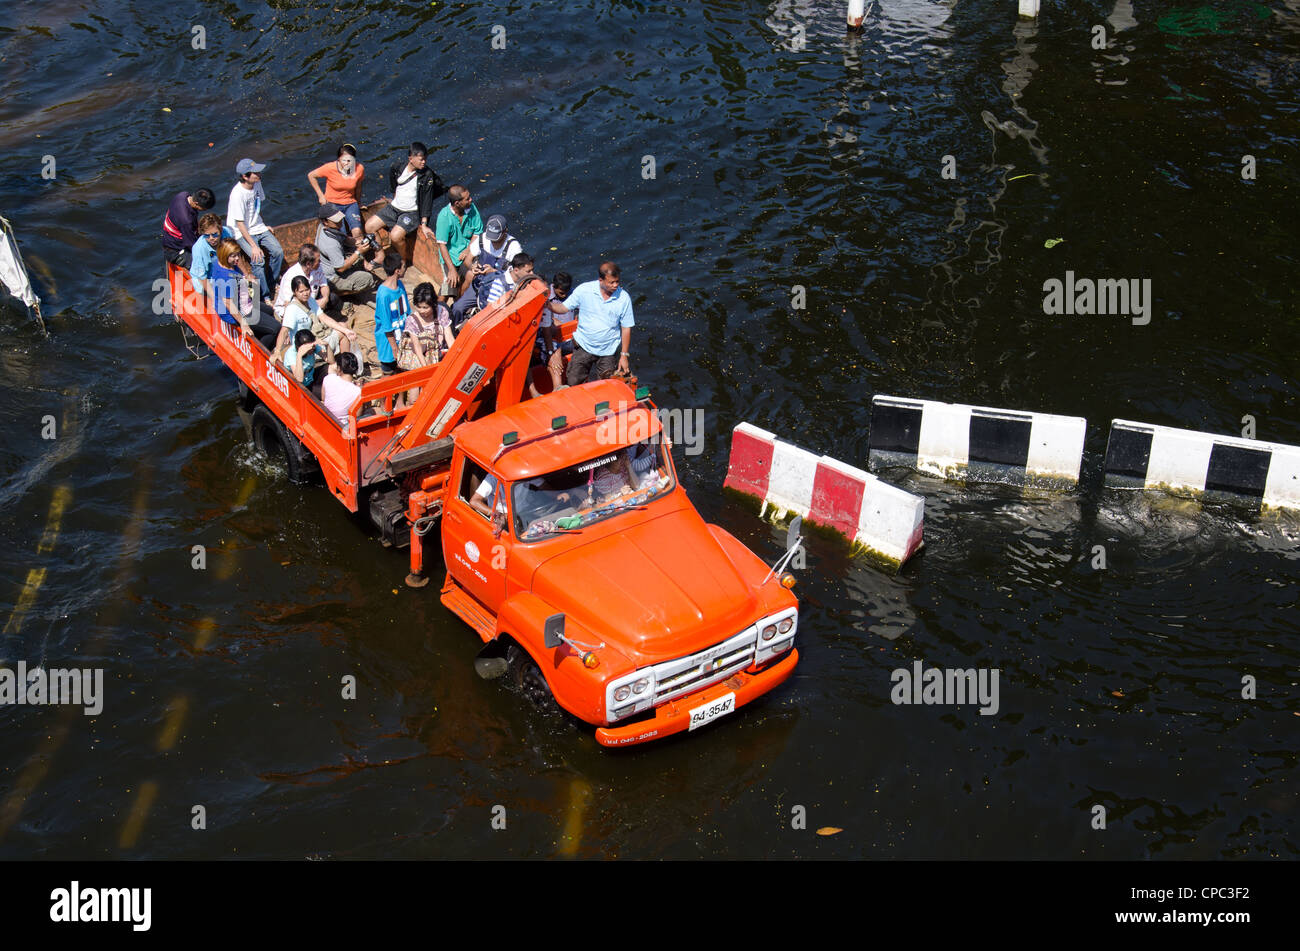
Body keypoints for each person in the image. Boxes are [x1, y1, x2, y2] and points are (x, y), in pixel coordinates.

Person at [549, 261, 634, 386]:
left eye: (617, 281)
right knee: (573, 382)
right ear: (601, 280)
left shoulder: (624, 298)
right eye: (611, 282)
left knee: (606, 385)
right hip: (584, 346)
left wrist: (624, 355)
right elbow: (563, 308)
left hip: (608, 351)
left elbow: (626, 328)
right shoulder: (584, 290)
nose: (615, 285)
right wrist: (547, 305)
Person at [365, 141, 444, 260]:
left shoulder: (426, 175)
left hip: (411, 212)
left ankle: (402, 260)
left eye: (425, 159)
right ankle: (379, 254)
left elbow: (427, 200)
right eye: (421, 159)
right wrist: (394, 199)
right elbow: (394, 184)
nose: (424, 162)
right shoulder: (398, 167)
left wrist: (424, 224)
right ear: (411, 158)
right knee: (369, 226)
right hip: (394, 207)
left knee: (395, 236)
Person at [227, 158, 284, 306]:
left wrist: (264, 226)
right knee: (258, 260)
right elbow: (239, 224)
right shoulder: (237, 195)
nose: (259, 174)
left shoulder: (257, 183)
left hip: (257, 226)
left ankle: (271, 283)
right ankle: (265, 295)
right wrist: (253, 245)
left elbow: (257, 208)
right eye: (255, 172)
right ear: (245, 176)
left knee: (278, 251)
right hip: (242, 232)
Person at [210, 239, 281, 346]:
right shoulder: (226, 278)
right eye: (233, 256)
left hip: (243, 302)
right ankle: (261, 348)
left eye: (237, 254)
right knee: (276, 328)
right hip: (236, 310)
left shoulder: (220, 263)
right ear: (225, 255)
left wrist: (246, 276)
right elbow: (228, 304)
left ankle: (259, 332)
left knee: (269, 311)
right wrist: (243, 323)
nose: (237, 258)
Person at [451, 251, 534, 329]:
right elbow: (490, 312)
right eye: (528, 271)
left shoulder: (524, 280)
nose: (532, 274)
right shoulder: (499, 284)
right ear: (516, 270)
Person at [316, 204, 380, 299]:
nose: (340, 222)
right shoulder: (330, 244)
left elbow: (344, 238)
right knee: (368, 279)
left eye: (340, 218)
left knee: (357, 257)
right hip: (333, 278)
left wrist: (360, 243)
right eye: (336, 220)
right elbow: (340, 268)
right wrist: (359, 252)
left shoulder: (324, 227)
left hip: (334, 264)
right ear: (325, 222)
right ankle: (337, 293)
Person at [308, 144, 367, 244]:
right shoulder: (330, 168)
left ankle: (360, 255)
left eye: (350, 160)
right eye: (344, 160)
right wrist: (321, 196)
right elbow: (311, 176)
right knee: (341, 234)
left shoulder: (359, 169)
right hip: (333, 205)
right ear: (339, 159)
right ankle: (346, 255)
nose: (347, 163)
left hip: (350, 203)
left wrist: (359, 203)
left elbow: (358, 187)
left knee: (357, 232)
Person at [434, 185, 483, 299]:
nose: (471, 200)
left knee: (472, 276)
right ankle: (439, 310)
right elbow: (442, 245)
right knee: (448, 287)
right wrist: (451, 269)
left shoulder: (472, 209)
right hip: (451, 256)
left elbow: (477, 232)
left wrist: (468, 249)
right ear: (457, 203)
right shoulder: (444, 217)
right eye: (467, 199)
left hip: (468, 251)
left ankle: (458, 304)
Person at [398, 282, 454, 370]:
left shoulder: (441, 312)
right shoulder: (412, 321)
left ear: (433, 304)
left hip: (439, 356)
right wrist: (425, 368)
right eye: (419, 307)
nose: (422, 311)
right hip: (422, 361)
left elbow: (449, 338)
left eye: (425, 307)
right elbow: (417, 347)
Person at [373, 251, 409, 378]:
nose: (405, 269)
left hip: (402, 337)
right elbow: (386, 326)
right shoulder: (383, 295)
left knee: (401, 375)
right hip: (389, 344)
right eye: (403, 266)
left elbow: (407, 312)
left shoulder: (400, 285)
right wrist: (395, 348)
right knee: (388, 375)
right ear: (397, 271)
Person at [161, 188, 215, 268]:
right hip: (175, 250)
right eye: (204, 209)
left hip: (171, 237)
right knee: (206, 263)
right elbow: (191, 245)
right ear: (196, 204)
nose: (204, 210)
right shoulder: (186, 220)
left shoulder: (183, 195)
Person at [273, 243, 330, 319]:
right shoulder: (292, 276)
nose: (320, 263)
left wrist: (325, 299)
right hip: (295, 308)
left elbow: (324, 285)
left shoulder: (317, 268)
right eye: (318, 261)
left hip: (311, 301)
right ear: (308, 264)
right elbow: (288, 303)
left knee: (333, 298)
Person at [539, 271, 574, 391]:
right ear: (554, 286)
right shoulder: (545, 295)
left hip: (570, 338)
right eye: (561, 293)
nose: (564, 296)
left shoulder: (572, 294)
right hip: (555, 338)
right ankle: (558, 386)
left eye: (566, 293)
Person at [188, 213, 235, 299]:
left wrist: (246, 275)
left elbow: (235, 254)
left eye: (215, 234)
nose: (211, 238)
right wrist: (215, 299)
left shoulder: (227, 233)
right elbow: (202, 278)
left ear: (220, 230)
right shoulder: (198, 249)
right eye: (206, 235)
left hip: (223, 269)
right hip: (207, 279)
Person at [282, 328, 327, 396]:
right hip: (303, 386)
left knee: (331, 367)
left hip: (311, 376)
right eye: (308, 347)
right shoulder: (291, 354)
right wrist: (299, 355)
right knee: (326, 392)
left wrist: (327, 345)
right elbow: (299, 379)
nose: (312, 349)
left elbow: (331, 361)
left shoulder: (312, 346)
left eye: (312, 346)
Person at [322, 351, 363, 426]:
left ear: (339, 368)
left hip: (327, 418)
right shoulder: (357, 391)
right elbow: (358, 414)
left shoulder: (328, 378)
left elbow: (323, 398)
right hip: (344, 425)